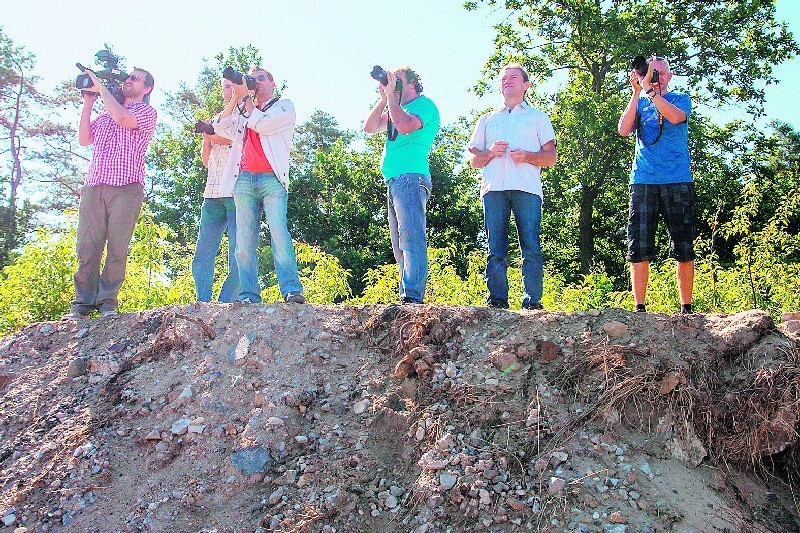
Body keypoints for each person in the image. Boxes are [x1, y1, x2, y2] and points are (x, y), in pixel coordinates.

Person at [65, 66, 157, 319]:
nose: (129, 81)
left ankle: (107, 303)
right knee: (87, 247)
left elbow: (123, 118)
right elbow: (85, 139)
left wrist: (101, 87)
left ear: (147, 88)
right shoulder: (106, 113)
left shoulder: (146, 112)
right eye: (128, 77)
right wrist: (89, 101)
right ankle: (82, 303)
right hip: (94, 185)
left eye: (135, 79)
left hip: (127, 188)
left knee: (117, 248)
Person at [467, 63, 557, 310]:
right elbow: (474, 161)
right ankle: (497, 301)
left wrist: (527, 156)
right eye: (504, 78)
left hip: (527, 189)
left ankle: (532, 301)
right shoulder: (487, 119)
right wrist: (489, 152)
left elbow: (551, 157)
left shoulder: (538, 117)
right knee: (495, 247)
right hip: (494, 189)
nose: (507, 81)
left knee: (530, 245)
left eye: (514, 77)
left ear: (526, 85)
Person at [213, 66, 305, 304]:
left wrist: (245, 98)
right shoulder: (245, 110)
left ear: (273, 83)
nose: (257, 82)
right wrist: (235, 97)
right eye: (253, 79)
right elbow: (221, 126)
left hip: (272, 178)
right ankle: (248, 294)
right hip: (243, 178)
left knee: (278, 234)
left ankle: (291, 289)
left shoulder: (284, 106)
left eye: (261, 78)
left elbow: (262, 124)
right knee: (243, 242)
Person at [618, 56, 695, 314]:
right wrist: (636, 92)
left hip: (677, 180)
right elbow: (623, 129)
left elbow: (675, 118)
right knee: (638, 243)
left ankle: (686, 307)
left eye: (660, 73)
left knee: (683, 244)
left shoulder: (680, 99)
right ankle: (639, 306)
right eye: (652, 73)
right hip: (643, 180)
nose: (656, 78)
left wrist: (651, 93)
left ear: (670, 76)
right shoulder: (640, 102)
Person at [363, 66, 440, 304]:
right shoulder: (396, 107)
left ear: (412, 83)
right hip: (395, 180)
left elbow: (405, 126)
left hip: (411, 177)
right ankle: (407, 294)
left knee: (411, 237)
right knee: (399, 244)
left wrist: (393, 99)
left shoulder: (425, 106)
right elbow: (369, 127)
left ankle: (413, 296)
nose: (392, 83)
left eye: (398, 80)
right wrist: (384, 98)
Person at [191, 78, 240, 303]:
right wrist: (209, 135)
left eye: (231, 86)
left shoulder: (245, 116)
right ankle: (202, 299)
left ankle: (228, 300)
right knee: (203, 251)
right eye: (225, 87)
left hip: (236, 192)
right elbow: (206, 159)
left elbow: (233, 140)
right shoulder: (215, 120)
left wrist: (210, 133)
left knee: (238, 252)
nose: (227, 90)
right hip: (212, 193)